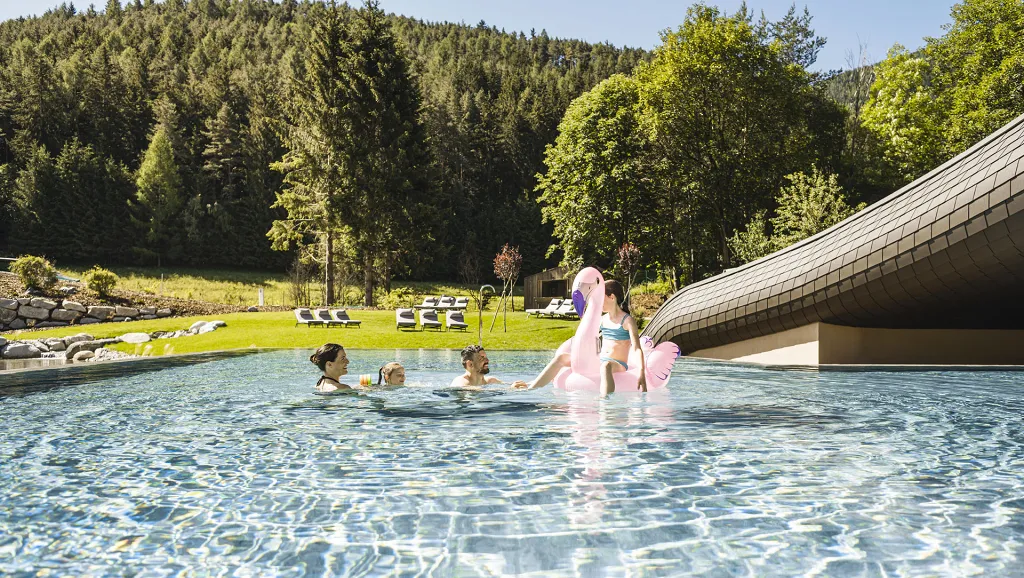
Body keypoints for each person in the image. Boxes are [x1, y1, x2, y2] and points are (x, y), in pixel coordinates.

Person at [519, 279, 646, 395]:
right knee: (561, 357)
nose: (598, 302)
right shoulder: (602, 320)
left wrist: (641, 372)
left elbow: (636, 348)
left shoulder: (627, 321)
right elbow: (591, 339)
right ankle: (531, 388)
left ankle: (606, 403)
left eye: (600, 298)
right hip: (600, 359)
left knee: (606, 366)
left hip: (617, 364)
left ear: (611, 297)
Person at [450, 345, 527, 388]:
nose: (487, 360)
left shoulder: (490, 381)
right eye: (482, 358)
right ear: (470, 364)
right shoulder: (460, 381)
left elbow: (515, 384)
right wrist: (510, 389)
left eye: (486, 357)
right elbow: (472, 393)